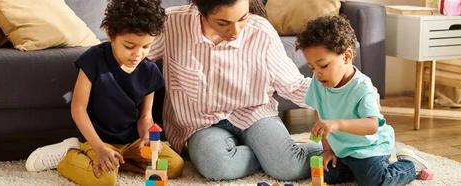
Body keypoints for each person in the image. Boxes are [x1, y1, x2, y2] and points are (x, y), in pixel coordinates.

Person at [145, 0, 323, 181]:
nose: (236, 31)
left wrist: (342, 94)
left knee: (289, 168)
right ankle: (270, 155)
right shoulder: (172, 24)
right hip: (202, 123)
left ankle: (280, 155)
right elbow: (135, 60)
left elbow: (293, 85)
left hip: (254, 113)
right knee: (216, 165)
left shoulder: (261, 32)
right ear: (200, 10)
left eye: (243, 18)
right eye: (223, 23)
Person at [24, 0, 183, 185]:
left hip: (130, 141)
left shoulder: (150, 71)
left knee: (175, 165)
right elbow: (78, 109)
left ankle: (118, 163)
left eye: (146, 47)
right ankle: (68, 155)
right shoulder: (93, 60)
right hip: (98, 140)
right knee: (105, 181)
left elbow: (145, 116)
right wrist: (99, 148)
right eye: (129, 46)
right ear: (110, 33)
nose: (138, 54)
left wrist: (147, 135)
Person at [297, 15, 430, 186]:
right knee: (324, 173)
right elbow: (320, 116)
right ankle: (353, 169)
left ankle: (411, 165)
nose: (317, 72)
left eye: (322, 65)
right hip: (343, 150)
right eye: (312, 67)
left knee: (373, 182)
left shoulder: (362, 87)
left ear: (346, 56)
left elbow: (372, 125)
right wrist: (328, 150)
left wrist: (337, 124)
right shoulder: (318, 81)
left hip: (369, 149)